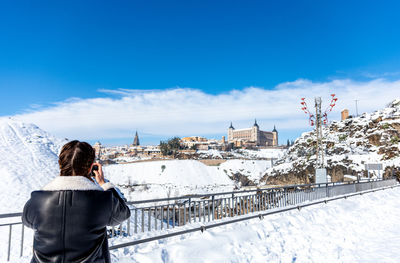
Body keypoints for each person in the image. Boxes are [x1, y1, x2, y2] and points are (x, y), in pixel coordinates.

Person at [22, 140, 131, 263]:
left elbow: (27, 221)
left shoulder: (37, 200)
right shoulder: (102, 200)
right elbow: (123, 213)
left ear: (60, 164)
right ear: (91, 167)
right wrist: (103, 184)